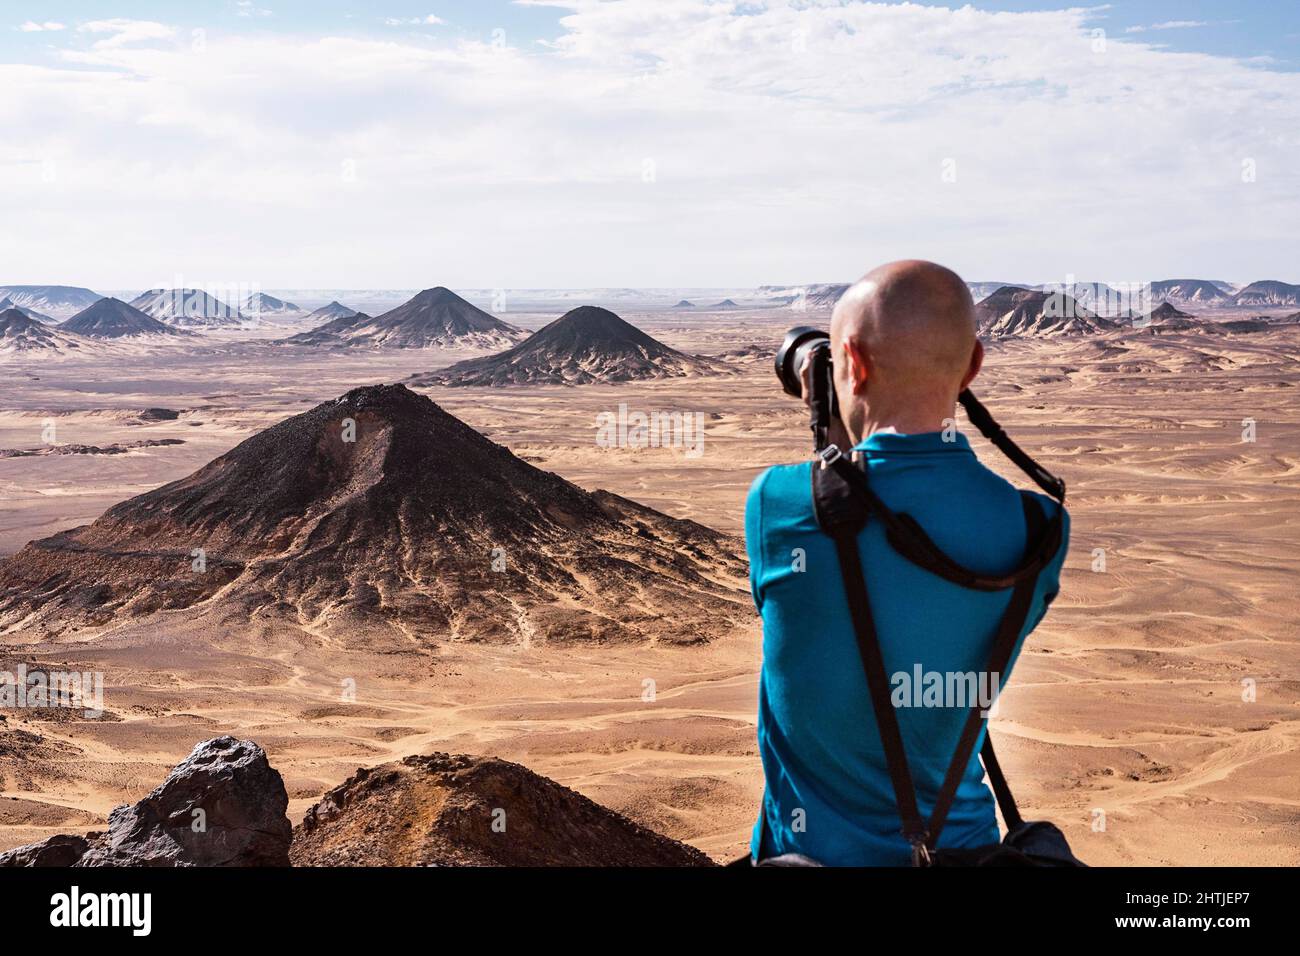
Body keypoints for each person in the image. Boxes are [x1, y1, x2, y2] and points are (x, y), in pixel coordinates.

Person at [745, 259, 1070, 865]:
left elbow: (834, 556)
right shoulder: (1039, 530)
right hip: (966, 854)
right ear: (973, 365)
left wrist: (837, 422)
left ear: (854, 364)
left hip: (812, 856)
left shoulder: (779, 504)